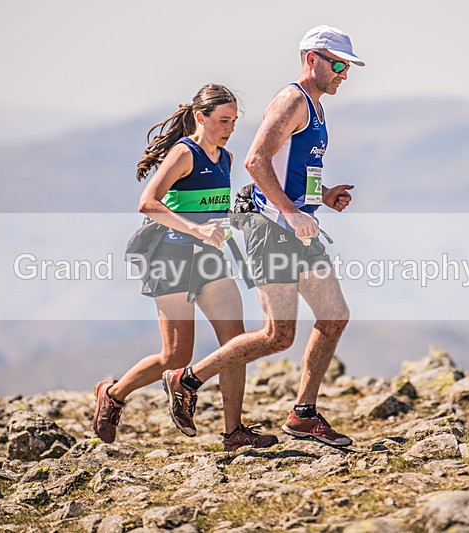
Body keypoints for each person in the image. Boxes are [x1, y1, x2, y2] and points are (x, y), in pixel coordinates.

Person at [161, 26, 364, 447]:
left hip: (295, 226)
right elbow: (255, 161)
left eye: (348, 67)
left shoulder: (316, 107)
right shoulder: (293, 100)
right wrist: (290, 212)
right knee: (278, 334)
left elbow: (292, 168)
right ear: (312, 59)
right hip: (269, 226)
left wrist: (323, 196)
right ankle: (187, 379)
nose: (344, 74)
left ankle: (303, 415)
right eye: (338, 64)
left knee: (333, 316)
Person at [93, 83, 279, 452]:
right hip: (171, 257)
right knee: (176, 356)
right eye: (222, 120)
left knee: (235, 344)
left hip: (209, 259)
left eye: (234, 121)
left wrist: (241, 220)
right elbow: (148, 203)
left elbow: (212, 209)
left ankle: (234, 432)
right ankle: (112, 394)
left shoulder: (225, 158)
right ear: (200, 117)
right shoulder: (184, 153)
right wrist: (197, 229)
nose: (229, 128)